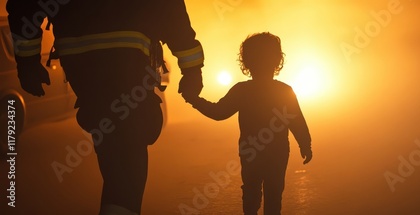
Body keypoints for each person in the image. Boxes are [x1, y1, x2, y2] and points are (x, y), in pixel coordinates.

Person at [6, 0, 204, 214]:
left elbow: (24, 6)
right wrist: (192, 69)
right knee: (130, 143)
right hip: (130, 57)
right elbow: (171, 12)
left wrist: (27, 62)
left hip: (81, 62)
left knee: (114, 139)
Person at [182, 32, 312, 215]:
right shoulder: (285, 91)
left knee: (251, 192)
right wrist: (305, 144)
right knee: (274, 195)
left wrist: (195, 100)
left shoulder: (242, 91)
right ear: (277, 60)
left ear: (246, 62)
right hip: (278, 152)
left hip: (251, 151)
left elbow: (219, 112)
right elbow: (297, 121)